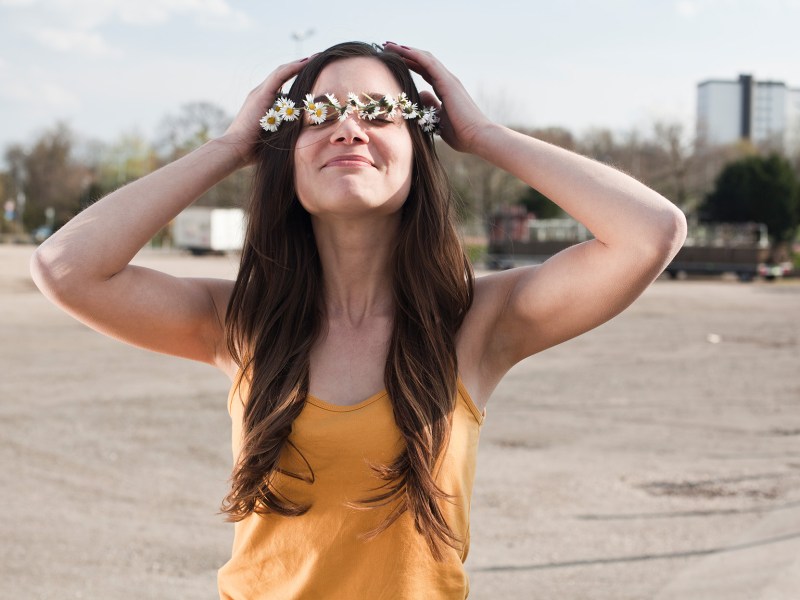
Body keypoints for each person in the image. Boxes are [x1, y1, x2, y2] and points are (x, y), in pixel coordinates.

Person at [30, 41, 687, 599]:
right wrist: (231, 146)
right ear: (287, 152)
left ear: (417, 145)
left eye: (378, 112)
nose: (349, 129)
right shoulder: (238, 321)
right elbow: (65, 268)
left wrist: (483, 136)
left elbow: (651, 232)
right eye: (320, 114)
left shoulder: (476, 323)